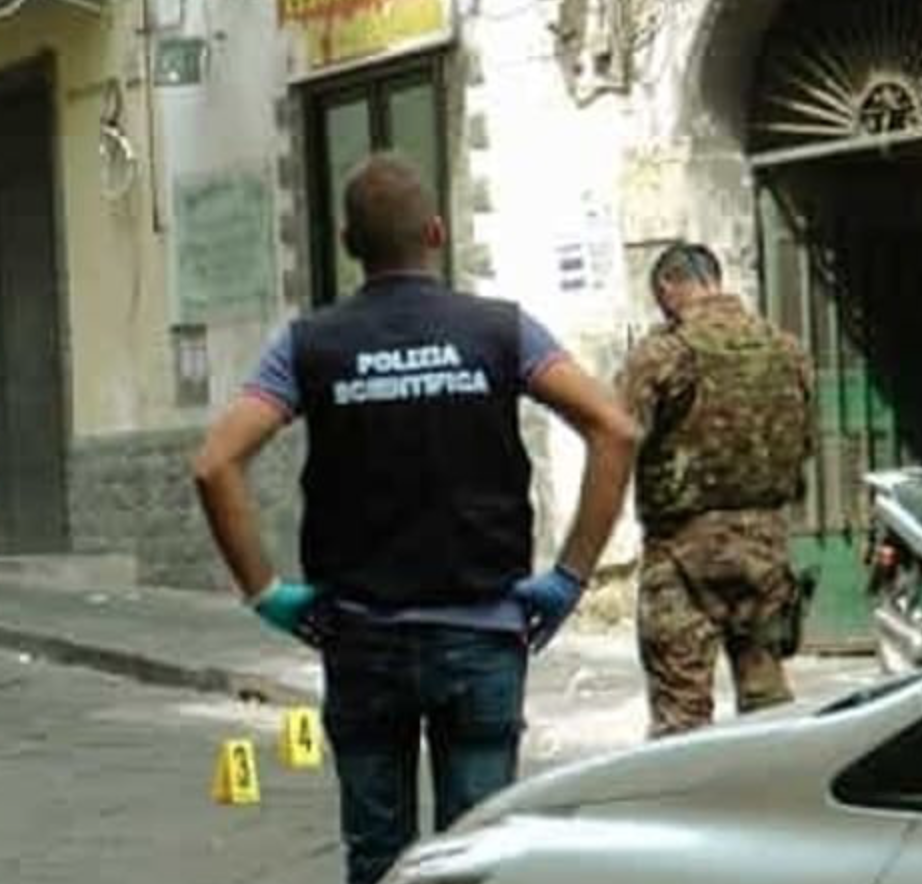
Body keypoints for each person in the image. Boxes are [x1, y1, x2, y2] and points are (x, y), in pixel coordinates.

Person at [192, 155, 639, 884]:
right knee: (478, 857)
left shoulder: (309, 345)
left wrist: (266, 593)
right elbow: (614, 429)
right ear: (436, 232)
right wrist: (569, 577)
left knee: (377, 857)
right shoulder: (502, 332)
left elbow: (215, 464)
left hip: (362, 637)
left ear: (348, 245)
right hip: (482, 634)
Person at [617, 242, 814, 738]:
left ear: (668, 286)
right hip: (765, 550)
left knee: (681, 715)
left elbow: (616, 436)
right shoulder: (788, 349)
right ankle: (779, 786)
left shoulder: (661, 355)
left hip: (679, 553)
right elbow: (805, 445)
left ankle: (695, 792)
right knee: (769, 702)